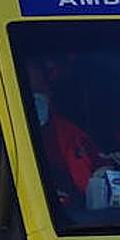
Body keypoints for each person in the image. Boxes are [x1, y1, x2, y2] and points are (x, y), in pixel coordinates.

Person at [29, 63, 103, 200]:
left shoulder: (73, 136)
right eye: (27, 92)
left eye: (39, 90)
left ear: (49, 93)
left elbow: (100, 172)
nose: (34, 98)